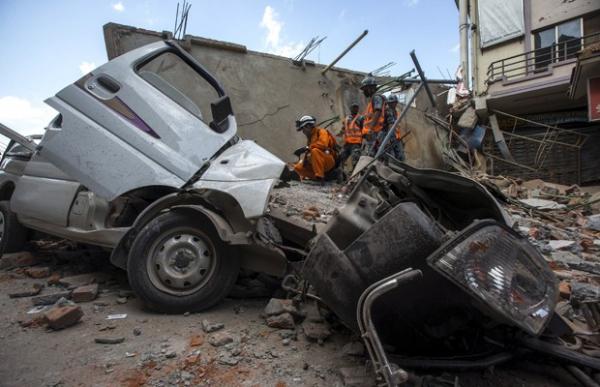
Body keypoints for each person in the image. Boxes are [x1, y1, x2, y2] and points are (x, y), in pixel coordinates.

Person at [293, 115, 337, 183]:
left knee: (315, 151)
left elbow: (323, 144)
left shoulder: (322, 132)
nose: (303, 132)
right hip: (316, 162)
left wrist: (307, 147)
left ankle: (320, 177)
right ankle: (322, 177)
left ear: (308, 126)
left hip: (328, 160)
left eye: (303, 129)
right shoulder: (310, 138)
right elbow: (308, 154)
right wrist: (302, 167)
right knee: (297, 168)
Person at [359, 76, 386, 156]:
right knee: (371, 156)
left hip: (375, 132)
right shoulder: (371, 101)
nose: (364, 92)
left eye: (365, 89)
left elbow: (378, 112)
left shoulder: (376, 97)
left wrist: (370, 129)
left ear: (371, 88)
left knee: (371, 156)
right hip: (372, 133)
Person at [338, 102, 364, 170]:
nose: (355, 109)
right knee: (340, 158)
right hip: (347, 143)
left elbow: (363, 129)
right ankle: (341, 175)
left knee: (355, 160)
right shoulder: (347, 118)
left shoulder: (361, 118)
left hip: (356, 143)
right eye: (353, 107)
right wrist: (340, 133)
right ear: (350, 109)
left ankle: (355, 177)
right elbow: (344, 128)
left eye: (356, 107)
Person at [384, 94, 405, 161]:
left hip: (395, 137)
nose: (394, 104)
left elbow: (396, 127)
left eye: (394, 102)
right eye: (391, 103)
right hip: (389, 137)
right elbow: (390, 125)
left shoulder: (395, 112)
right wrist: (388, 139)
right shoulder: (388, 111)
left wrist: (400, 139)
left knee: (400, 156)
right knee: (391, 157)